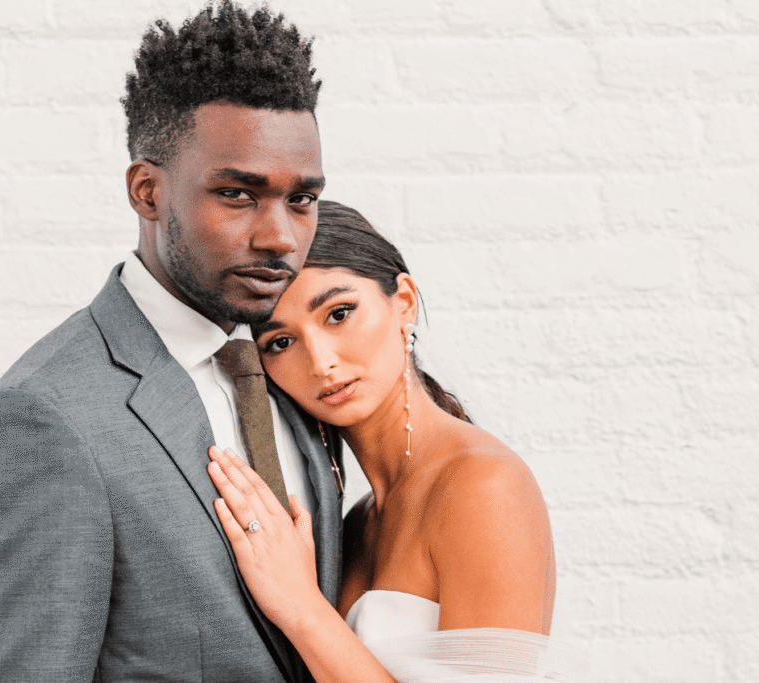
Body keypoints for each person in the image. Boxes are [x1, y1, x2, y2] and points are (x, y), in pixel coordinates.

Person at [0, 3, 344, 682]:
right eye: (238, 194)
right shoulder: (47, 419)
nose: (280, 237)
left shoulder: (294, 370)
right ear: (148, 191)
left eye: (301, 200)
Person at [207, 200, 588, 682]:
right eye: (280, 343)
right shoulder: (355, 522)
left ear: (403, 300)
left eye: (338, 313)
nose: (321, 361)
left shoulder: (483, 486)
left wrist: (301, 607)